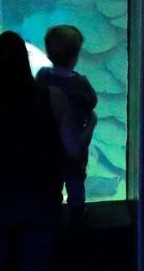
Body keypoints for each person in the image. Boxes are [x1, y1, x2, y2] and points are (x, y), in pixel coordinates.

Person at [0, 30, 86, 269]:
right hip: (42, 203)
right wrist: (90, 125)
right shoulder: (54, 97)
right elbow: (74, 149)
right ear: (25, 62)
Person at [35, 24, 98, 212]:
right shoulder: (80, 83)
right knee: (76, 181)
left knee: (50, 183)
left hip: (47, 146)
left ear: (47, 54)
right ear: (76, 56)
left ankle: (50, 214)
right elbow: (92, 102)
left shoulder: (42, 76)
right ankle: (78, 214)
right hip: (74, 146)